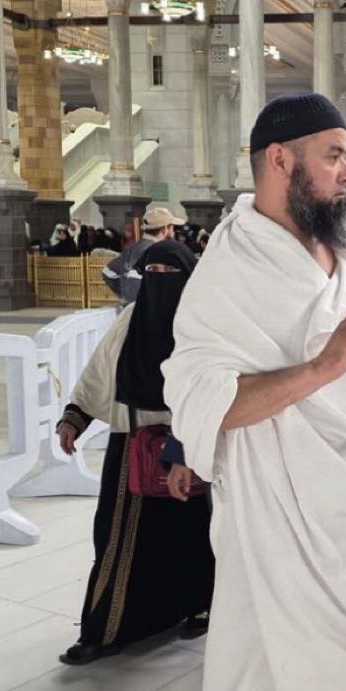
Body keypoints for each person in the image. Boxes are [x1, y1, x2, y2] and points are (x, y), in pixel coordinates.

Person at [161, 93, 346, 691]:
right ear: (279, 159)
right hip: (277, 509)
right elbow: (202, 398)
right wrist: (320, 370)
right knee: (276, 670)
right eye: (333, 156)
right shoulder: (230, 267)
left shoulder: (343, 254)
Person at [55, 240, 214, 665]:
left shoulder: (201, 325)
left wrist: (186, 445)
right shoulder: (131, 318)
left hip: (187, 444)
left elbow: (208, 385)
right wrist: (75, 416)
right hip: (131, 444)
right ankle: (105, 629)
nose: (160, 282)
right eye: (153, 274)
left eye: (170, 274)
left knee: (192, 536)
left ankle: (199, 605)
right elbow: (100, 369)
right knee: (117, 537)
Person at [102, 207, 184, 304]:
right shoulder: (154, 252)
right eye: (172, 227)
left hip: (131, 308)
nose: (173, 231)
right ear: (165, 229)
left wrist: (124, 293)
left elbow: (108, 272)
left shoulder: (132, 249)